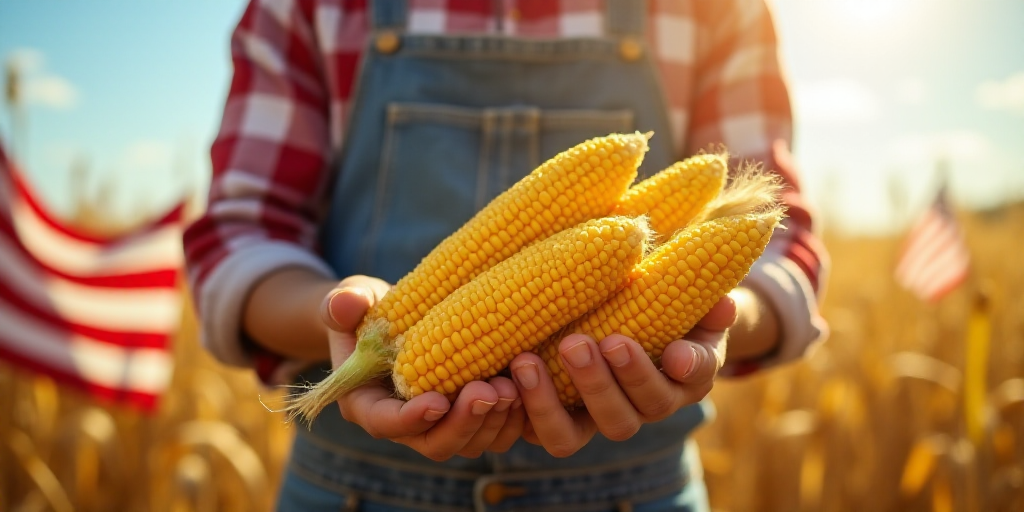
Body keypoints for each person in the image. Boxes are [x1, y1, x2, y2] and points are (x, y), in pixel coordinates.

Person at [183, 1, 830, 510]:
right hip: (349, 488)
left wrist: (705, 325)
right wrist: (340, 319)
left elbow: (782, 248)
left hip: (632, 491)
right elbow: (244, 234)